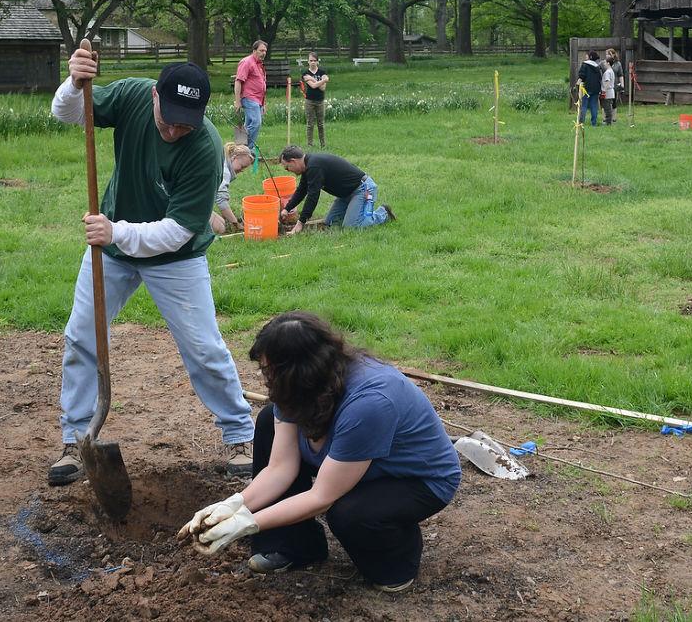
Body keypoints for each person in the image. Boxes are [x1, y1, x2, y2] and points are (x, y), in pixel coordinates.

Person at [48, 47, 255, 484]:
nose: (176, 129)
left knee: (203, 346)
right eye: (170, 117)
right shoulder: (131, 96)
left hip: (175, 257)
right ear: (156, 97)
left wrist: (116, 232)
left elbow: (178, 231)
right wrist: (73, 82)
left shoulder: (204, 147)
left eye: (187, 122)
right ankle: (75, 438)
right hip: (112, 249)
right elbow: (70, 114)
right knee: (82, 336)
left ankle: (239, 434)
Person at [180, 311, 460, 593]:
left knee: (349, 514)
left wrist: (248, 523)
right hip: (353, 462)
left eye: (269, 371)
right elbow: (280, 468)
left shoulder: (370, 403)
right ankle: (293, 545)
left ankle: (398, 555)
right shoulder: (298, 386)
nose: (266, 379)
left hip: (415, 479)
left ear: (299, 371)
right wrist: (234, 506)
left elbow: (322, 497)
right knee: (268, 422)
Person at [280, 146, 393, 230]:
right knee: (332, 222)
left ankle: (383, 214)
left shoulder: (314, 166)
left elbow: (313, 196)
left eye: (287, 168)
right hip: (346, 195)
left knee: (351, 227)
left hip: (363, 189)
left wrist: (300, 223)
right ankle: (353, 213)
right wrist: (287, 208)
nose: (288, 171)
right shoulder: (308, 166)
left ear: (293, 161)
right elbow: (302, 190)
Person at [233, 40, 269, 153]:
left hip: (258, 100)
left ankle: (239, 147)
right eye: (261, 50)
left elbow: (262, 85)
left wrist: (264, 104)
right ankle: (247, 148)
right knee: (256, 123)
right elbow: (238, 81)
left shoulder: (260, 65)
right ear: (254, 50)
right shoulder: (247, 62)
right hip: (249, 97)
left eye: (265, 51)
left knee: (248, 124)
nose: (263, 53)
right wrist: (237, 101)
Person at [213, 140, 256, 234]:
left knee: (222, 222)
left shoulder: (221, 161)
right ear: (234, 157)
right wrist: (235, 223)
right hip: (186, 200)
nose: (241, 170)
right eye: (242, 166)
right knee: (220, 228)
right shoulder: (224, 171)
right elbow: (221, 200)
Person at [301, 53, 329, 148]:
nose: (313, 62)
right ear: (308, 62)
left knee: (321, 124)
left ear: (317, 61)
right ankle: (310, 145)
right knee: (310, 124)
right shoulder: (305, 73)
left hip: (320, 101)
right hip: (309, 101)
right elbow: (312, 86)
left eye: (314, 60)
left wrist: (312, 79)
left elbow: (322, 88)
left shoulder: (322, 72)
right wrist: (323, 80)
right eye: (311, 60)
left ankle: (323, 144)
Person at [576, 51, 603, 126]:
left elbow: (581, 75)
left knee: (584, 105)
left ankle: (581, 122)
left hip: (586, 88)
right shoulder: (597, 67)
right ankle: (593, 123)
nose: (586, 56)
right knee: (594, 106)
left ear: (590, 57)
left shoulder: (585, 64)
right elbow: (599, 78)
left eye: (587, 55)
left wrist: (577, 84)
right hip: (596, 88)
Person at [600, 48, 619, 125]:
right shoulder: (611, 71)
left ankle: (608, 122)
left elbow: (607, 82)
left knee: (607, 108)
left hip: (607, 92)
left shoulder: (607, 72)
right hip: (611, 92)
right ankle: (610, 121)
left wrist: (604, 91)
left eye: (605, 62)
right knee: (609, 107)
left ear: (608, 63)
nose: (604, 63)